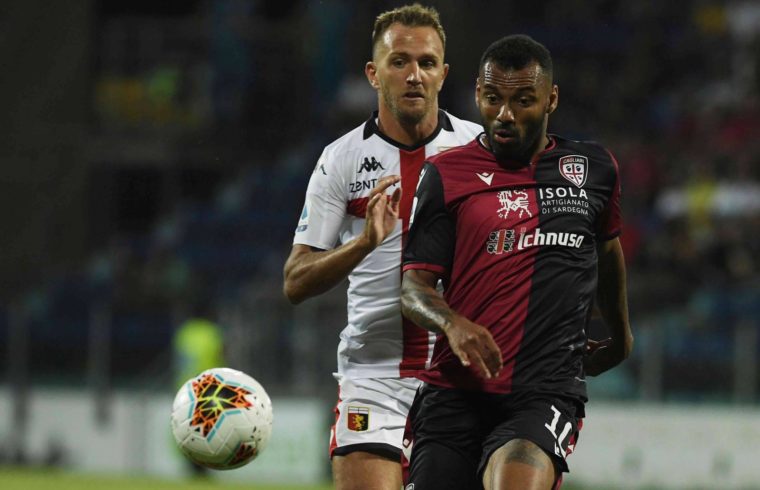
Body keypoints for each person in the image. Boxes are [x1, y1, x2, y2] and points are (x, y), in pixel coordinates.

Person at [400, 34, 634, 490]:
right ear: (477, 94)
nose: (504, 115)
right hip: (454, 392)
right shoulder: (447, 174)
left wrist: (621, 336)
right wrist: (452, 324)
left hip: (544, 391)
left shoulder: (594, 169)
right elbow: (413, 289)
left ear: (551, 99)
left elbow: (607, 253)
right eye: (493, 99)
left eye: (523, 100)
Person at [282, 4, 481, 490]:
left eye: (427, 63)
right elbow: (295, 281)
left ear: (443, 73)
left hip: (461, 378)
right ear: (374, 73)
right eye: (400, 61)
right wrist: (365, 243)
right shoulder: (342, 159)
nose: (414, 75)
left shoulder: (480, 152)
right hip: (373, 375)